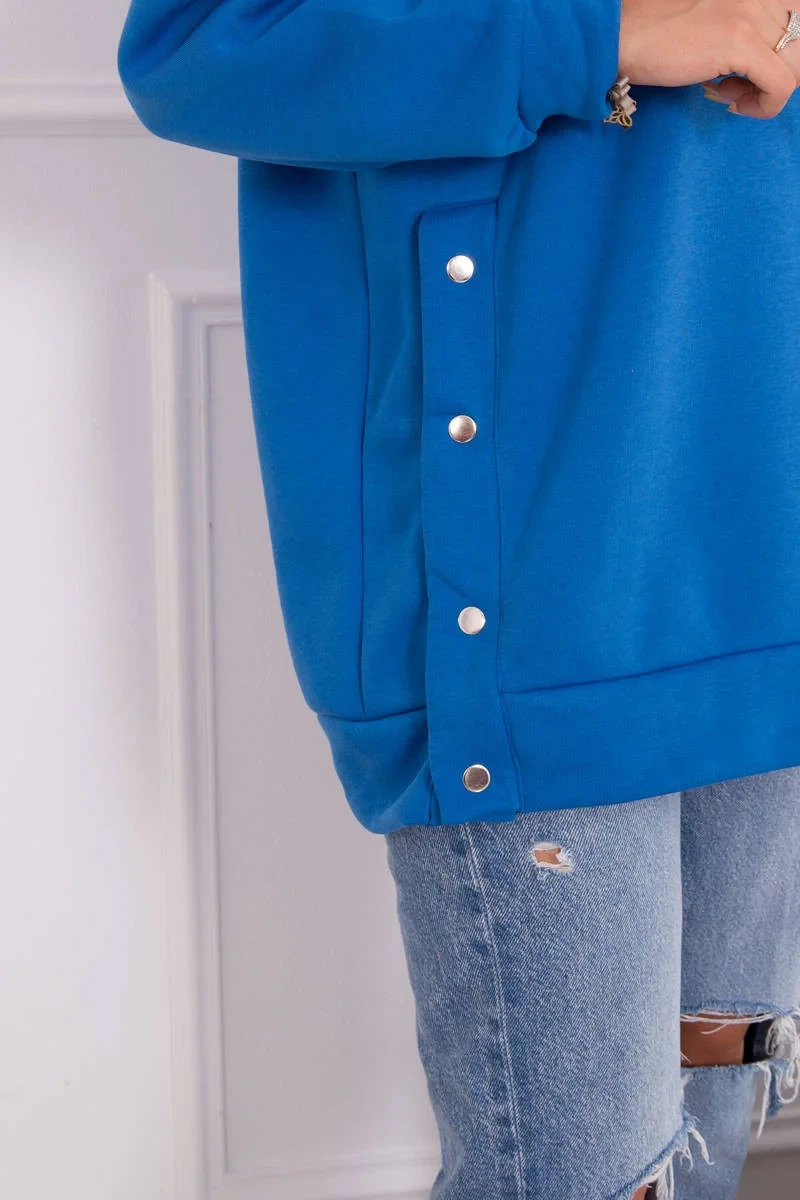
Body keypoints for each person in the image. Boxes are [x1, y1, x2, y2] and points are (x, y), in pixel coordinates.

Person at [117, 0, 800, 1194]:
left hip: (756, 522)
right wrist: (596, 33)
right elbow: (198, 49)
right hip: (538, 584)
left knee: (708, 1135)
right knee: (586, 1173)